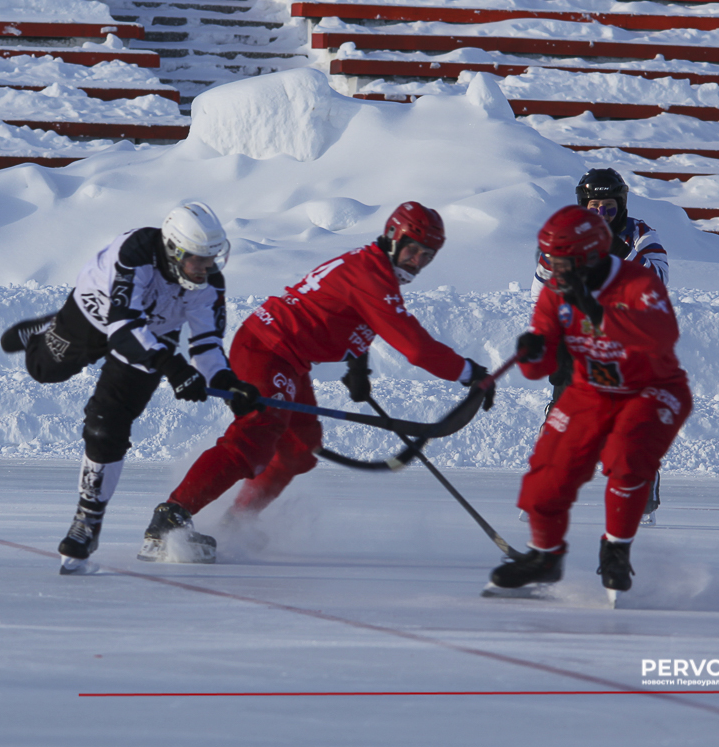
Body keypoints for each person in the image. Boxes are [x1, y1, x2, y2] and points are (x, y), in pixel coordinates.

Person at [136, 201, 496, 563]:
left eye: (427, 256)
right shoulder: (373, 276)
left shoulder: (371, 268)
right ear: (392, 237)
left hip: (289, 358)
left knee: (300, 447)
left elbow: (352, 311)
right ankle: (170, 517)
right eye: (413, 249)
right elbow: (416, 348)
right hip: (267, 348)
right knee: (256, 434)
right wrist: (470, 373)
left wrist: (358, 367)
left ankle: (237, 522)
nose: (417, 261)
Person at [0, 202, 261, 575]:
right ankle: (49, 328)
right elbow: (123, 328)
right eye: (198, 260)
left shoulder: (208, 282)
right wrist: (172, 367)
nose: (207, 269)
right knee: (44, 370)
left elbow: (205, 344)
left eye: (212, 258)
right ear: (174, 252)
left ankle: (87, 520)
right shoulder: (136, 253)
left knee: (106, 426)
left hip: (153, 333)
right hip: (99, 312)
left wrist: (225, 382)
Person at [490, 205, 691, 597]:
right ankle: (544, 556)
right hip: (591, 391)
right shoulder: (555, 293)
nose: (550, 268)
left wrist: (596, 310)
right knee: (546, 469)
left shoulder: (638, 284)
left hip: (650, 389)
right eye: (546, 258)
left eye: (559, 259)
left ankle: (616, 549)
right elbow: (540, 368)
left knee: (627, 459)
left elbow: (659, 338)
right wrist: (535, 351)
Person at [531, 168, 670, 523]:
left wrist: (617, 255)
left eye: (609, 208)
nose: (602, 216)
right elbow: (541, 290)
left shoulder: (641, 236)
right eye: (595, 208)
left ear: (621, 206)